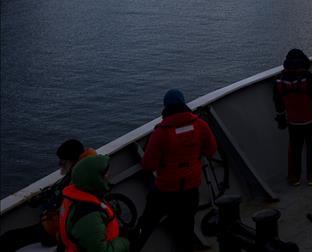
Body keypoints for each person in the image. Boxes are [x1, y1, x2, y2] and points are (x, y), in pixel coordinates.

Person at [137, 89, 217, 251]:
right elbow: (211, 150)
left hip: (166, 189)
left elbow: (148, 165)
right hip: (191, 187)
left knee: (146, 224)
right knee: (186, 228)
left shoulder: (160, 133)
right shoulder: (199, 125)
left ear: (166, 107)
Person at [0, 139, 97, 250]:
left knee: (8, 238)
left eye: (62, 161)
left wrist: (35, 200)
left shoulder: (75, 179)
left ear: (71, 161)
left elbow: (57, 196)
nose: (60, 164)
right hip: (71, 226)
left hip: (57, 229)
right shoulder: (87, 172)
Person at [273, 49, 312, 186]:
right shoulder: (308, 77)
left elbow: (278, 103)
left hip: (294, 121)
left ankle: (294, 178)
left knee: (294, 148)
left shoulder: (278, 80)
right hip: (311, 118)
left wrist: (281, 119)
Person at [58, 154, 130, 252]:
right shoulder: (88, 214)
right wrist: (125, 242)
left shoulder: (76, 197)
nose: (109, 175)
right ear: (95, 178)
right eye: (105, 173)